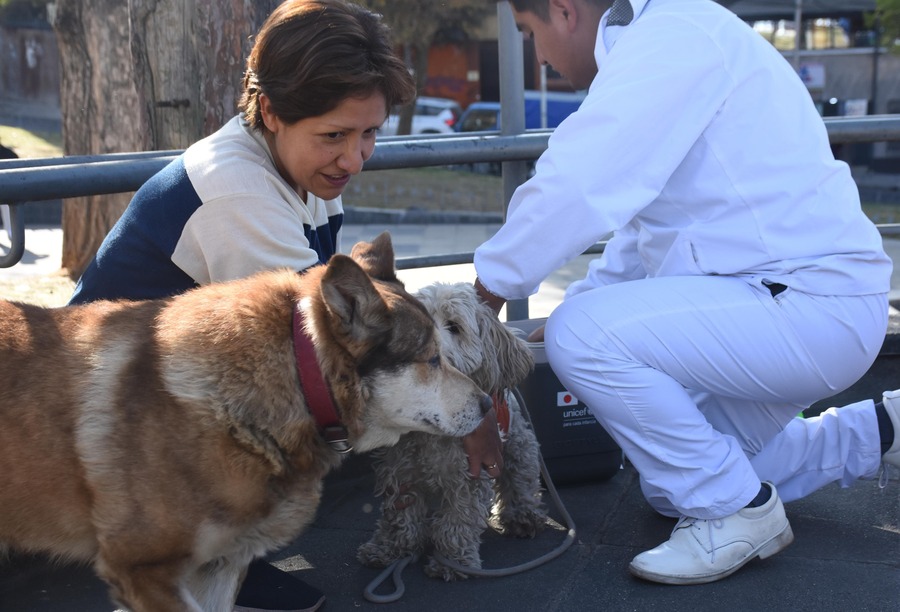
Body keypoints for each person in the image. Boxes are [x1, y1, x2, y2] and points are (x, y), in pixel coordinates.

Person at [471, 0, 900, 586]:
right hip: (802, 305)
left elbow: (578, 180)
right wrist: (584, 304)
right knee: (674, 485)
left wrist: (484, 294)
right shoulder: (670, 35)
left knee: (584, 341)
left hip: (803, 307)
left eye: (529, 33)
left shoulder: (670, 36)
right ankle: (881, 428)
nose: (538, 57)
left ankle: (736, 513)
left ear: (564, 10)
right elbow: (641, 228)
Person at [68, 1, 416, 610]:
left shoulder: (300, 168)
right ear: (273, 111)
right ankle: (208, 548)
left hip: (170, 392)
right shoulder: (235, 189)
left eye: (370, 134)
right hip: (115, 427)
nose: (355, 158)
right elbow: (324, 356)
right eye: (335, 135)